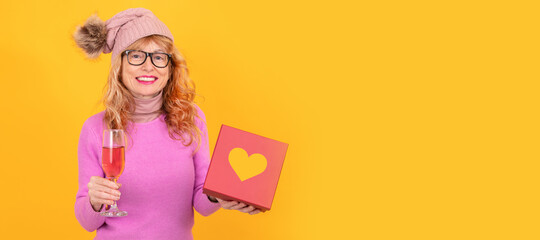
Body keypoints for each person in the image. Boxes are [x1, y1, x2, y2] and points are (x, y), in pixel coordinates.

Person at [73, 8, 261, 239]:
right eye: (136, 55)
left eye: (159, 57)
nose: (148, 66)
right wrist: (94, 201)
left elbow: (201, 203)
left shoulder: (191, 119)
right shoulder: (95, 129)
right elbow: (86, 221)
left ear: (170, 69)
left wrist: (217, 196)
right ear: (119, 66)